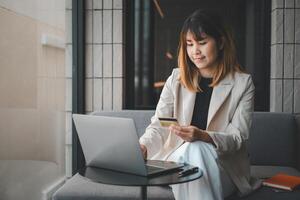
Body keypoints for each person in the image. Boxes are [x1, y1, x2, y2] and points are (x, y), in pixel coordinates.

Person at [139, 9, 260, 200]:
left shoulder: (242, 84)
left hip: (222, 166)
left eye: (202, 43)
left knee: (196, 148)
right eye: (189, 44)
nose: (195, 51)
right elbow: (160, 125)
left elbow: (238, 139)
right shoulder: (175, 79)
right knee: (190, 151)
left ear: (220, 43)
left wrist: (204, 136)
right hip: (178, 160)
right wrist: (143, 147)